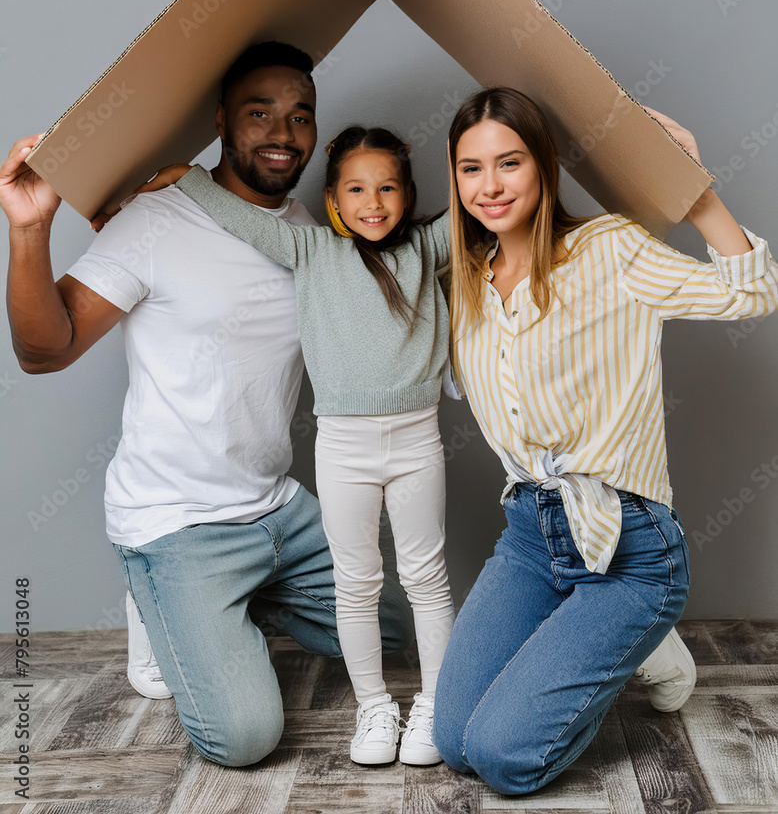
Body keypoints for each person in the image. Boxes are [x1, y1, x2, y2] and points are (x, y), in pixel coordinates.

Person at [0, 42, 413, 767]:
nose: (283, 134)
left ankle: (216, 612)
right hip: (177, 521)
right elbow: (44, 350)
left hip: (278, 509)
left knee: (388, 635)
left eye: (300, 116)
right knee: (245, 739)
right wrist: (30, 228)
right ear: (222, 119)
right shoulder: (156, 221)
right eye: (260, 113)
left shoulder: (313, 238)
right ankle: (166, 603)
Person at [432, 86, 778, 794]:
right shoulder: (464, 284)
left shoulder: (608, 250)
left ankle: (641, 635)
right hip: (532, 536)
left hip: (631, 547)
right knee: (452, 742)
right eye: (471, 168)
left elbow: (753, 293)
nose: (490, 186)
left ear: (543, 167)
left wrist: (695, 189)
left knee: (502, 759)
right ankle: (627, 646)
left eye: (510, 163)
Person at [133, 123, 457, 766]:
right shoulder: (308, 249)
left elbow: (476, 195)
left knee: (426, 577)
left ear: (409, 191)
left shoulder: (427, 247)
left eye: (388, 187)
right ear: (333, 199)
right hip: (343, 448)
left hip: (418, 441)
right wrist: (187, 177)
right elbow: (235, 215)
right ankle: (374, 709)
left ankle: (435, 705)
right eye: (357, 189)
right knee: (356, 583)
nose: (374, 202)